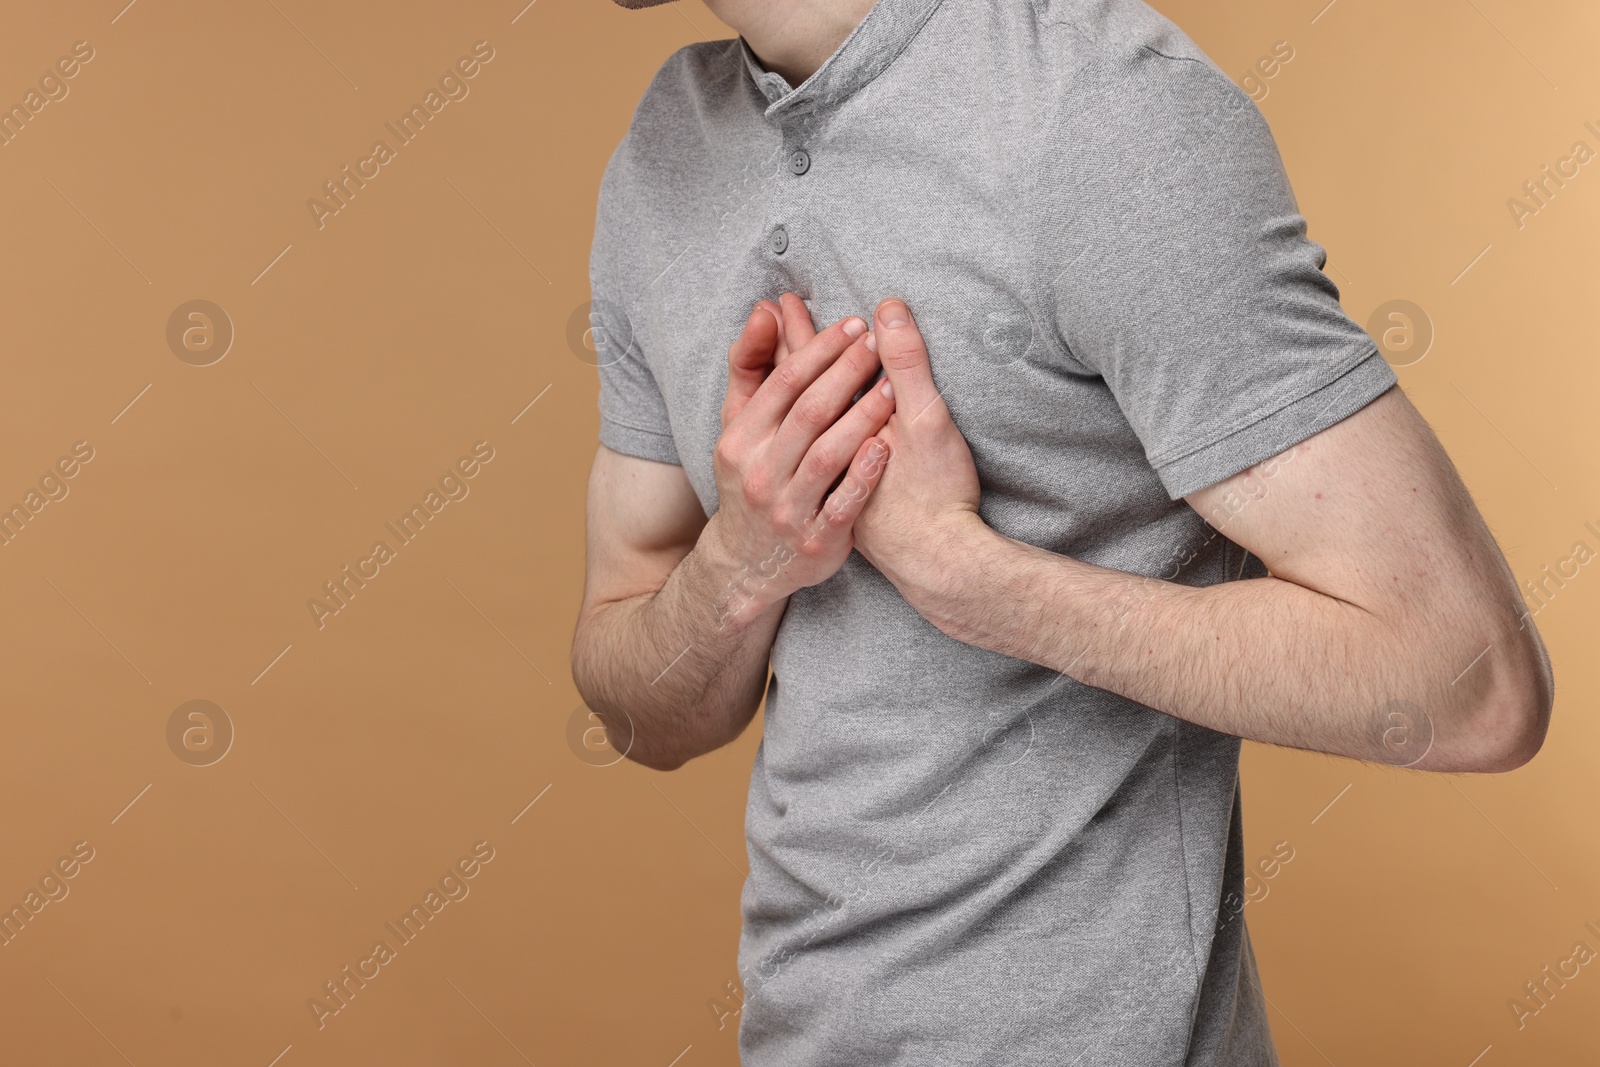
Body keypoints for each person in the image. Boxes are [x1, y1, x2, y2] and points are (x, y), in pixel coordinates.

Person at [571, 0, 1555, 1062]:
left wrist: (970, 575)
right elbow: (638, 712)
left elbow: (1468, 686)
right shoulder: (666, 144)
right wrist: (739, 564)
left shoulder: (1100, 109)